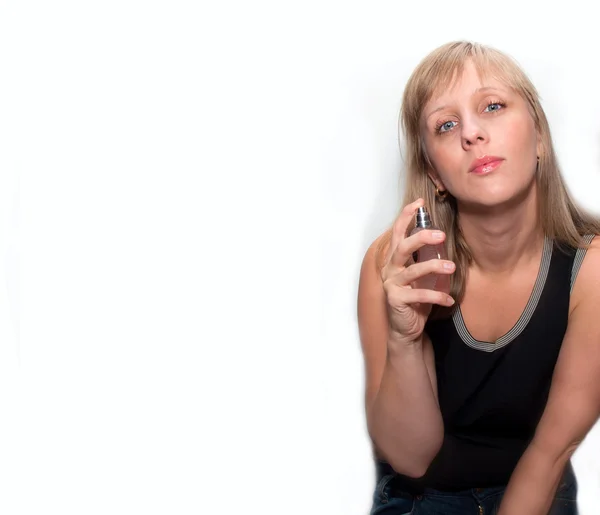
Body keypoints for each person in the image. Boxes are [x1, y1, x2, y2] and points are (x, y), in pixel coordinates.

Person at [357, 40, 600, 515]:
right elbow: (409, 457)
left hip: (537, 488)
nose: (471, 133)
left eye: (492, 106)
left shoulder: (592, 270)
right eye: (445, 125)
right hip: (420, 496)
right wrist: (406, 340)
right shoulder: (394, 265)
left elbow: (550, 454)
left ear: (540, 138)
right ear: (435, 172)